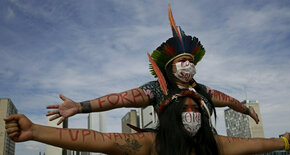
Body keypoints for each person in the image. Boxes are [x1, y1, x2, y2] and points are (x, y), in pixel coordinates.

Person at [45, 5, 259, 126]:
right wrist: (80, 107)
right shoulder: (156, 89)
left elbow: (230, 101)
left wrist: (247, 110)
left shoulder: (203, 91)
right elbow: (119, 99)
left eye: (191, 62)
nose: (188, 65)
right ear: (169, 67)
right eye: (182, 61)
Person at [4, 91, 290, 155]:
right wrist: (35, 132)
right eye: (184, 109)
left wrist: (284, 141)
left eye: (197, 108)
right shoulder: (152, 143)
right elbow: (96, 139)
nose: (191, 113)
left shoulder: (215, 144)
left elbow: (255, 143)